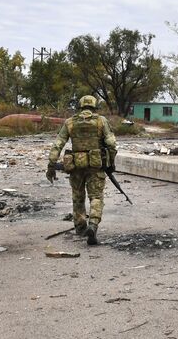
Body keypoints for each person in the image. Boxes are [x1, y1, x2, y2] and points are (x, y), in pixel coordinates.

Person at [46, 95, 117, 245]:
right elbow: (111, 144)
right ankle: (93, 225)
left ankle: (80, 228)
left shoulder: (70, 122)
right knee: (96, 197)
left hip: (76, 167)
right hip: (96, 166)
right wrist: (111, 163)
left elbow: (58, 144)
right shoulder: (101, 121)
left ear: (80, 106)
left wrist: (51, 165)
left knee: (78, 197)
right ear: (94, 106)